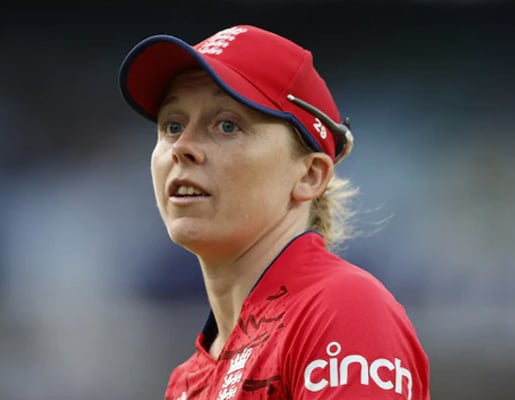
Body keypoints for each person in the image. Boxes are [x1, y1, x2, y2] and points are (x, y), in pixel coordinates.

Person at [118, 24, 430, 400]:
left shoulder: (341, 307)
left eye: (227, 125)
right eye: (172, 125)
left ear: (310, 175)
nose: (182, 147)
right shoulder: (185, 383)